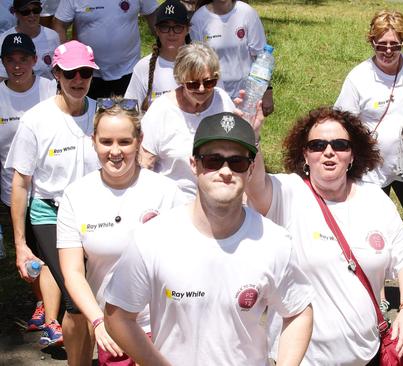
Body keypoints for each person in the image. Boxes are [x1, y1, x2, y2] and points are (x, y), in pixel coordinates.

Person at [104, 112, 314, 365]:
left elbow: (299, 311)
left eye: (237, 162)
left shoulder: (275, 241)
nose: (225, 171)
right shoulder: (152, 238)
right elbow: (117, 315)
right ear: (194, 165)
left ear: (250, 169)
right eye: (213, 160)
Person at [246, 107, 403, 365]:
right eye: (317, 145)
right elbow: (255, 185)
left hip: (368, 355)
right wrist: (253, 136)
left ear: (352, 155)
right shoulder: (288, 193)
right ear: (305, 154)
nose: (329, 152)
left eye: (340, 145)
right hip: (304, 359)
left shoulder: (374, 199)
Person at [334, 10, 403, 328]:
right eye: (380, 44)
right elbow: (341, 120)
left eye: (394, 45)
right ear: (371, 41)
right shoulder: (359, 77)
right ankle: (379, 298)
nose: (387, 51)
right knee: (375, 233)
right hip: (371, 167)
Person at [58, 97, 184, 365]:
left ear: (139, 140)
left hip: (162, 326)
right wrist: (98, 321)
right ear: (93, 141)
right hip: (112, 329)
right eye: (106, 142)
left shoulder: (167, 191)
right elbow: (72, 272)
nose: (115, 151)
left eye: (124, 142)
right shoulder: (75, 195)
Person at [7, 40, 100, 365]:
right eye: (70, 73)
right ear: (57, 73)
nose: (78, 80)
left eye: (85, 73)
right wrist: (21, 246)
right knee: (76, 297)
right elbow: (21, 183)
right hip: (49, 213)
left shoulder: (101, 115)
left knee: (93, 294)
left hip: (94, 213)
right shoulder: (36, 120)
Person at [0, 32, 56, 333]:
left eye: (23, 59)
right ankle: (41, 302)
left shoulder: (49, 88)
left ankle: (58, 306)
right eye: (10, 60)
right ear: (3, 63)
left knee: (54, 252)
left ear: (35, 60)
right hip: (14, 190)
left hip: (47, 187)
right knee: (30, 252)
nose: (17, 66)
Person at [139, 42, 236, 201]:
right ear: (180, 81)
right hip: (174, 202)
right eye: (193, 84)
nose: (202, 89)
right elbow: (145, 164)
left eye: (209, 82)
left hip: (219, 197)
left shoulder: (222, 100)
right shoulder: (161, 110)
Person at [52, 0, 158, 99]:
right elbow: (59, 25)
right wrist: (67, 60)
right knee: (91, 116)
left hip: (130, 70)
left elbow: (155, 18)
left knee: (129, 116)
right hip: (88, 75)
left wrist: (165, 52)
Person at [191, 0, 273, 116]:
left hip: (246, 96)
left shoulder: (247, 12)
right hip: (213, 96)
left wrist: (267, 91)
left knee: (248, 133)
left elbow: (261, 57)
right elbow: (197, 62)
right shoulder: (199, 19)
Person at [124, 0, 193, 111]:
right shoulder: (143, 67)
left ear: (187, 29)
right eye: (165, 27)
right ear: (157, 30)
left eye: (178, 27)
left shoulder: (201, 63)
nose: (171, 33)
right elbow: (129, 112)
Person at [0, 0, 60, 80]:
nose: (32, 15)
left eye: (36, 10)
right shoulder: (4, 39)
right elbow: (2, 78)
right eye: (25, 12)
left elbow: (59, 71)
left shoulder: (53, 36)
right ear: (16, 14)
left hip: (48, 89)